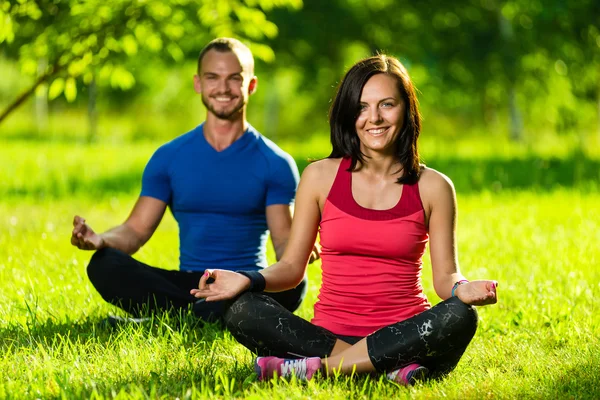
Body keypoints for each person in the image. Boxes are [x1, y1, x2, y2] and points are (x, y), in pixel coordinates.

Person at [189, 54, 499, 385]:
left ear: (406, 110)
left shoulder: (434, 187)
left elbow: (445, 278)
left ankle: (321, 368)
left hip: (405, 335)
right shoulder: (319, 177)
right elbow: (292, 269)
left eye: (387, 105)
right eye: (362, 107)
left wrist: (462, 288)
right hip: (330, 334)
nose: (374, 118)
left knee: (461, 315)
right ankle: (386, 369)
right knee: (241, 308)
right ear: (348, 114)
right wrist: (247, 279)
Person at [71, 37, 317, 322]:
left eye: (234, 78)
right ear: (198, 83)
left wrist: (302, 249)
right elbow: (135, 232)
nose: (223, 88)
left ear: (251, 85)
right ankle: (209, 314)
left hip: (246, 285)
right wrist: (101, 240)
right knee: (104, 264)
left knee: (295, 285)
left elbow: (284, 243)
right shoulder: (169, 157)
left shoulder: (275, 163)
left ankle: (173, 318)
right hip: (190, 285)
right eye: (213, 77)